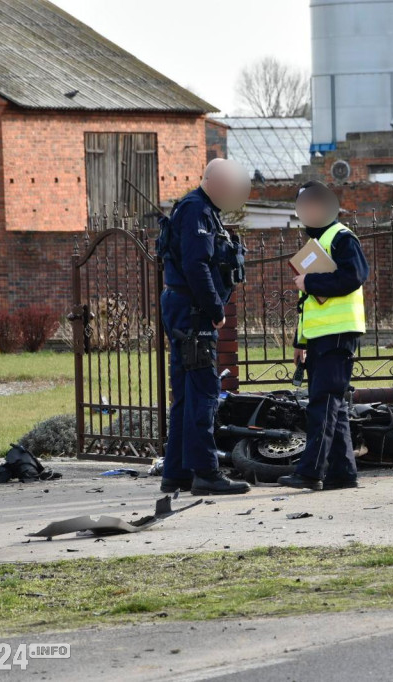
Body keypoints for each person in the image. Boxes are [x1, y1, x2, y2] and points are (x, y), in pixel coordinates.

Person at [158, 158, 252, 495]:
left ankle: (178, 473)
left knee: (185, 393)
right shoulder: (197, 210)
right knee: (204, 392)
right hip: (193, 312)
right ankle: (205, 473)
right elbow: (196, 264)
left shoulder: (199, 208)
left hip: (183, 307)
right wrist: (215, 308)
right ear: (211, 181)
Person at [279, 181, 370, 491]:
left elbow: (353, 277)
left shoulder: (342, 238)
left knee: (324, 402)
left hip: (337, 334)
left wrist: (311, 281)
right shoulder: (319, 243)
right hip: (321, 337)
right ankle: (343, 472)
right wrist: (300, 343)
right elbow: (308, 305)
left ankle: (310, 471)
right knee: (336, 405)